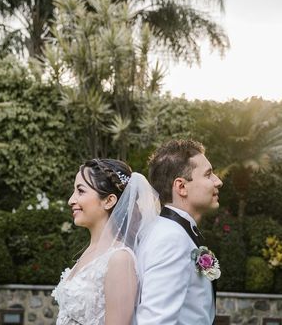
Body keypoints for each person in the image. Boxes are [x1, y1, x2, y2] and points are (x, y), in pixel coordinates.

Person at [52, 158, 160, 325]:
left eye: (80, 191)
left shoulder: (120, 259)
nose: (71, 200)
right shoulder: (89, 251)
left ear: (109, 201)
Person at [135, 139, 223, 325]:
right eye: (208, 175)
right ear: (181, 187)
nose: (218, 181)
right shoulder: (171, 238)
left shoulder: (171, 231)